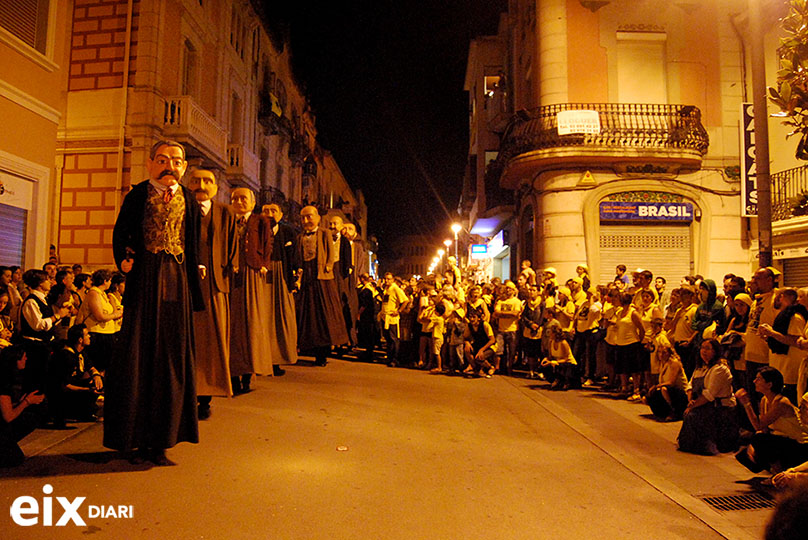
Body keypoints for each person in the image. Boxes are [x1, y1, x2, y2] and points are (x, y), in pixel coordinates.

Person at [107, 139, 204, 465]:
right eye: (162, 160)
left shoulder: (189, 200)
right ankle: (135, 438)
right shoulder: (136, 196)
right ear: (150, 164)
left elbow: (192, 244)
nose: (169, 166)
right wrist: (124, 259)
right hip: (146, 280)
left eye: (176, 161)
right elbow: (120, 233)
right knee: (139, 357)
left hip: (176, 282)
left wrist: (195, 278)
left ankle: (163, 440)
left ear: (183, 167)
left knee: (172, 358)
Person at [188, 167, 239, 417]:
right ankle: (185, 392)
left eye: (207, 181)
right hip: (186, 284)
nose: (201, 185)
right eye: (196, 180)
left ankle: (207, 394)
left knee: (213, 338)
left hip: (215, 286)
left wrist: (225, 274)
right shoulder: (182, 208)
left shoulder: (225, 212)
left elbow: (232, 247)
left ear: (216, 188)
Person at [229, 187, 275, 392]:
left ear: (253, 202)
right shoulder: (228, 219)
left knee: (251, 320)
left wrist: (264, 263)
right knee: (233, 323)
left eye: (243, 198)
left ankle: (248, 372)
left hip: (252, 270)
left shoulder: (260, 221)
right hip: (230, 272)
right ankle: (233, 372)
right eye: (235, 198)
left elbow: (268, 243)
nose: (239, 202)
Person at [295, 205, 349, 366]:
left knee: (324, 314)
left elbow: (331, 252)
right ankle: (308, 346)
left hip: (322, 277)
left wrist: (329, 265)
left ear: (318, 217)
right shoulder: (300, 237)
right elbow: (299, 255)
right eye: (303, 218)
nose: (306, 221)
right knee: (307, 313)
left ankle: (323, 353)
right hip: (306, 276)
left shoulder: (325, 233)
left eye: (309, 217)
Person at [735, 367, 808, 474]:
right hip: (782, 440)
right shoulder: (765, 400)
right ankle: (774, 469)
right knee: (744, 455)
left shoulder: (782, 403)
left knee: (760, 440)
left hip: (799, 445)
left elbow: (758, 425)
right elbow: (763, 429)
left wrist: (747, 404)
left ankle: (779, 474)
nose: (755, 382)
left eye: (759, 379)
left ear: (769, 385)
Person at [677, 339, 739, 455]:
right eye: (702, 348)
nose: (704, 351)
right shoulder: (700, 368)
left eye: (708, 348)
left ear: (715, 351)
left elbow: (709, 395)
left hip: (719, 407)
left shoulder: (720, 369)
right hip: (703, 403)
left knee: (693, 416)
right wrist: (690, 401)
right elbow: (690, 385)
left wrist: (692, 406)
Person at [19, 270, 70, 394]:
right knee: (35, 380)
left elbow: (49, 323)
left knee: (44, 380)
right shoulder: (31, 301)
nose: (50, 282)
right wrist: (57, 316)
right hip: (34, 347)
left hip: (44, 345)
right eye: (47, 280)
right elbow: (39, 325)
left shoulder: (42, 299)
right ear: (40, 284)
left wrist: (62, 314)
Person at [262, 203, 299, 371]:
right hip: (261, 276)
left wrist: (294, 280)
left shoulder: (288, 232)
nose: (269, 214)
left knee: (280, 316)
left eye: (273, 211)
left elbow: (295, 258)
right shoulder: (256, 229)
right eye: (265, 211)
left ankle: (277, 358)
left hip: (282, 277)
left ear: (281, 215)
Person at [47, 324, 103, 427]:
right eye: (87, 335)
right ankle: (74, 413)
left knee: (99, 381)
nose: (89, 336)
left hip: (73, 385)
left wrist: (96, 376)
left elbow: (91, 367)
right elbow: (64, 385)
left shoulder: (80, 352)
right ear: (80, 340)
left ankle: (85, 410)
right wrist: (87, 390)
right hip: (61, 394)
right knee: (89, 392)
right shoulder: (67, 356)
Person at [759, 288, 807, 405]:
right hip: (780, 369)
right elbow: (781, 339)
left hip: (790, 372)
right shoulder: (783, 316)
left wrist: (771, 333)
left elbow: (794, 341)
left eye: (778, 296)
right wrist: (768, 337)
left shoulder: (795, 317)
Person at [0, 346, 46, 467]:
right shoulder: (4, 382)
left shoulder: (8, 378)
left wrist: (20, 403)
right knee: (14, 459)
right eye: (23, 357)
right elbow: (8, 416)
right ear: (16, 360)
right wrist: (26, 402)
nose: (26, 359)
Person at [77, 269, 123, 373]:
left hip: (107, 333)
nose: (110, 283)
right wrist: (116, 314)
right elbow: (99, 316)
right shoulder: (94, 293)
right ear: (104, 281)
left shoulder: (102, 294)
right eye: (109, 280)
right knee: (98, 364)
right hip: (97, 334)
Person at [646, 336, 689, 421]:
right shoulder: (663, 363)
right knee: (647, 396)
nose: (661, 355)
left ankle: (673, 411)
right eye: (659, 352)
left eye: (664, 352)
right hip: (668, 389)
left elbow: (671, 382)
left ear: (669, 353)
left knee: (664, 389)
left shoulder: (674, 363)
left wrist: (656, 386)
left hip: (679, 392)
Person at [380, 272, 410, 367]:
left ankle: (395, 359)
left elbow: (405, 300)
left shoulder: (395, 288)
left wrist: (399, 310)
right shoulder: (387, 289)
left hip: (392, 318)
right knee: (388, 339)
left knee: (394, 339)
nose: (387, 281)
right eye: (386, 279)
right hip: (385, 317)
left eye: (389, 279)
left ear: (393, 280)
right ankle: (389, 357)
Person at [540, 321, 578, 390]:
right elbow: (550, 356)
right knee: (544, 366)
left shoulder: (563, 343)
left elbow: (566, 358)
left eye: (551, 332)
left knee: (562, 366)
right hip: (557, 361)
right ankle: (555, 380)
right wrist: (546, 359)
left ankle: (566, 381)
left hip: (567, 363)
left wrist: (554, 362)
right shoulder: (551, 342)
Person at [463, 309, 496, 378]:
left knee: (479, 357)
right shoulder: (469, 326)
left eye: (474, 317)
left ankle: (490, 367)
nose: (472, 319)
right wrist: (467, 343)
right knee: (467, 350)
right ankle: (476, 368)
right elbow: (465, 337)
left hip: (489, 346)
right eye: (470, 317)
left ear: (478, 318)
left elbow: (492, 340)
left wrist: (482, 350)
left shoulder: (485, 325)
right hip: (477, 344)